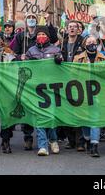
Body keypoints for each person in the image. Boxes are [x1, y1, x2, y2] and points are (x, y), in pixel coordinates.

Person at [26, 26, 62, 156]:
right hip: (36, 88)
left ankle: (53, 140)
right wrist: (27, 61)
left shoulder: (55, 50)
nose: (41, 36)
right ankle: (42, 146)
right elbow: (25, 68)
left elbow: (62, 68)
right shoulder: (31, 51)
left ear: (47, 36)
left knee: (50, 116)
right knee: (39, 116)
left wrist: (59, 61)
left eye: (43, 34)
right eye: (38, 34)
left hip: (51, 88)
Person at [73, 35, 105, 157]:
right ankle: (87, 138)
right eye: (89, 41)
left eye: (94, 41)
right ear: (84, 44)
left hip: (98, 92)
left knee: (95, 118)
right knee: (84, 119)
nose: (92, 43)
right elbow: (73, 75)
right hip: (82, 91)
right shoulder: (78, 58)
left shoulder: (104, 58)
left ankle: (94, 145)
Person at [13, 13, 39, 150]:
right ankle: (27, 136)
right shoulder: (20, 36)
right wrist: (19, 57)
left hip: (39, 74)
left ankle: (44, 136)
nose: (31, 20)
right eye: (29, 18)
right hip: (24, 74)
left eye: (34, 18)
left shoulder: (41, 34)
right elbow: (13, 52)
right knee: (26, 104)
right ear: (25, 21)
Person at [60, 20, 85, 151]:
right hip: (65, 80)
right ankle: (70, 140)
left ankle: (80, 141)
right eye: (70, 27)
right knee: (66, 111)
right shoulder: (62, 44)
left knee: (78, 111)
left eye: (74, 27)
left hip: (79, 80)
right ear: (67, 29)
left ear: (78, 30)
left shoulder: (83, 42)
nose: (72, 29)